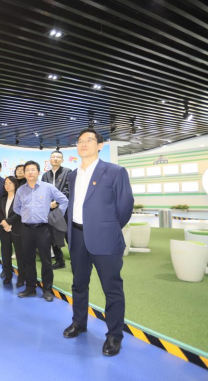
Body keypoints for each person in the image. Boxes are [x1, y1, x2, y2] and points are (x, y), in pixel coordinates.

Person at [63, 129, 133, 357]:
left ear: (100, 145)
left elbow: (125, 206)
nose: (83, 144)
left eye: (89, 140)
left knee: (112, 288)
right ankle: (79, 322)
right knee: (78, 284)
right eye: (80, 141)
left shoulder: (115, 171)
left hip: (105, 239)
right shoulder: (73, 175)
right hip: (77, 237)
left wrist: (107, 227)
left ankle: (114, 335)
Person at [14, 161, 68, 301]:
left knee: (46, 261)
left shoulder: (47, 187)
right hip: (26, 229)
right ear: (24, 173)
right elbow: (16, 208)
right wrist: (27, 215)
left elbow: (64, 200)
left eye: (33, 170)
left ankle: (47, 290)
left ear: (38, 172)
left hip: (43, 229)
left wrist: (56, 216)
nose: (30, 172)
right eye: (27, 170)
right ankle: (30, 288)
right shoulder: (20, 190)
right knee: (28, 260)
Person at [42, 150, 72, 269]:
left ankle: (75, 260)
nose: (55, 159)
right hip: (50, 210)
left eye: (58, 157)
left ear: (62, 160)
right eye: (53, 157)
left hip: (64, 209)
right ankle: (60, 261)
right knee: (53, 234)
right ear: (50, 159)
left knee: (68, 235)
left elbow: (68, 189)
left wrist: (56, 201)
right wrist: (49, 203)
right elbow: (43, 191)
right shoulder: (45, 175)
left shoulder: (67, 172)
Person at [0, 176, 26, 286]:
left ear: (15, 184)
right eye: (6, 183)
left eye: (10, 183)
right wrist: (4, 223)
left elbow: (19, 212)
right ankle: (8, 275)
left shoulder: (20, 198)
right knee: (5, 254)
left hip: (17, 229)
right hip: (4, 229)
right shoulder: (2, 199)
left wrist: (8, 222)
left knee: (20, 255)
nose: (7, 185)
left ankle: (21, 278)